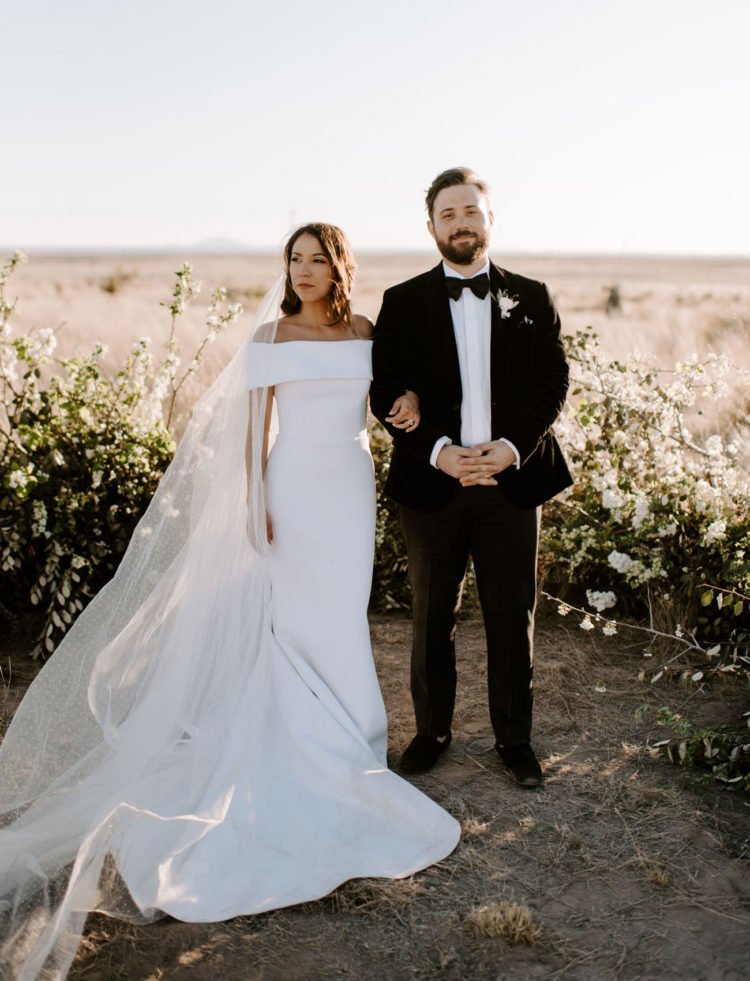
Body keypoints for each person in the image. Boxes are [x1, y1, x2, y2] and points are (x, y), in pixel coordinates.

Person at [0, 223, 460, 980]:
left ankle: (352, 737)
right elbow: (255, 428)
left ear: (339, 267)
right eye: (294, 259)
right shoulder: (271, 336)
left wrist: (406, 400)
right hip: (290, 484)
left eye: (318, 260)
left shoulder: (365, 327)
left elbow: (382, 398)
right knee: (290, 617)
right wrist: (253, 501)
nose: (304, 270)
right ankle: (303, 745)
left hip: (347, 486)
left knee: (343, 613)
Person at [370, 168, 572, 787]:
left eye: (471, 211)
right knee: (432, 612)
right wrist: (437, 451)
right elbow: (385, 389)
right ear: (431, 225)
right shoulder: (402, 302)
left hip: (511, 484)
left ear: (490, 219)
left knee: (513, 613)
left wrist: (512, 448)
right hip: (434, 485)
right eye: (448, 214)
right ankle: (431, 732)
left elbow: (553, 383)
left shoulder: (532, 296)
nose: (461, 223)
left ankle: (515, 739)